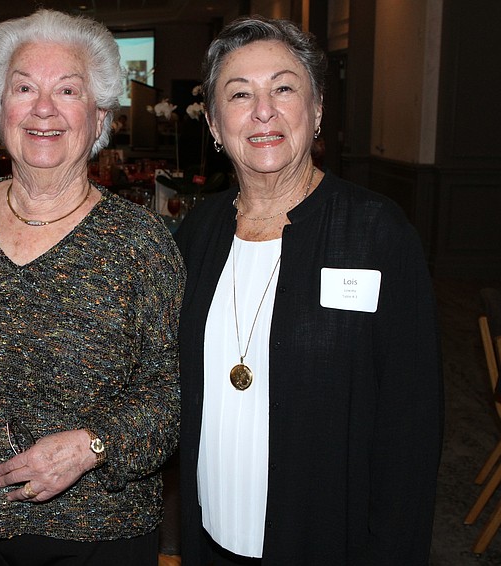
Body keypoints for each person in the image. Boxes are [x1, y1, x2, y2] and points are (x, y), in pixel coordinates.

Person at [0, 9, 185, 566]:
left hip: (95, 534)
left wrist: (93, 445)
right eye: (24, 88)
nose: (43, 108)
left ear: (99, 114)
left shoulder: (140, 242)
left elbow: (175, 393)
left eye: (67, 90)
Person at [175, 16, 442, 565]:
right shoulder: (196, 234)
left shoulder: (376, 233)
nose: (263, 111)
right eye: (240, 94)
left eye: (283, 88)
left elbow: (411, 425)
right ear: (215, 124)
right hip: (210, 532)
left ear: (317, 110)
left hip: (328, 542)